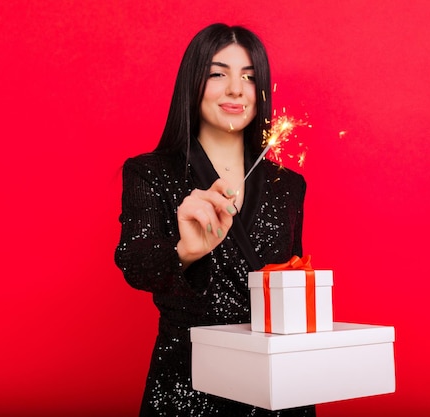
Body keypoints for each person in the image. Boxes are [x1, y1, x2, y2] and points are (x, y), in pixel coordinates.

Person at [114, 23, 313, 416]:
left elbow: (292, 279)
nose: (236, 90)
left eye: (249, 78)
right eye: (218, 74)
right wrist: (187, 250)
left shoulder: (289, 185)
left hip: (279, 385)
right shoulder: (151, 172)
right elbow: (134, 265)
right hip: (188, 385)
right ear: (193, 82)